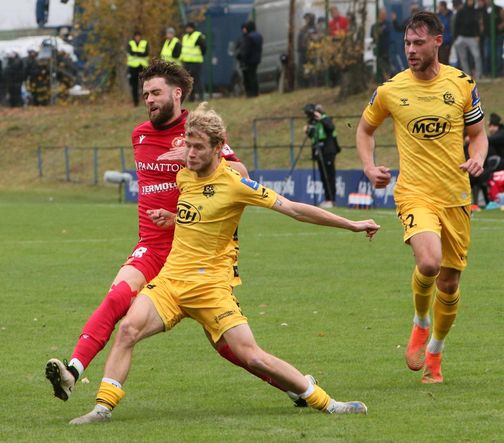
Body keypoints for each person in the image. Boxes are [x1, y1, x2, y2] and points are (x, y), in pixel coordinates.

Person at [69, 102, 379, 424]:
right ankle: (102, 409)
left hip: (210, 287)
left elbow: (294, 209)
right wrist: (174, 218)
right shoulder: (185, 177)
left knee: (251, 356)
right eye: (188, 145)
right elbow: (200, 217)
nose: (190, 153)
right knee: (128, 329)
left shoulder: (235, 184)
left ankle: (327, 402)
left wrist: (352, 225)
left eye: (199, 147)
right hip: (170, 282)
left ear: (219, 148)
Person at [45, 60, 314, 407]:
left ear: (177, 93)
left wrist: (186, 155)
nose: (149, 100)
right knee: (116, 300)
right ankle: (72, 372)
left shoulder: (197, 132)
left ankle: (295, 387)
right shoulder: (139, 134)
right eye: (145, 94)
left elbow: (240, 172)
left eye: (155, 92)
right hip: (153, 248)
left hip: (195, 255)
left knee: (228, 347)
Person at [356, 11, 488, 383]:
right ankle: (419, 321)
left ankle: (435, 353)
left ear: (437, 43)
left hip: (456, 196)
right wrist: (369, 167)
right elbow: (364, 131)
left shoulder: (462, 84)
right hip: (414, 193)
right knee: (429, 263)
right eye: (406, 44)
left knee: (449, 283)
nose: (410, 51)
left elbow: (478, 134)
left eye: (417, 43)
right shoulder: (390, 90)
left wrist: (476, 157)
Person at [304, 103, 340, 208]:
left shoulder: (326, 119)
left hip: (328, 151)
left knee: (329, 175)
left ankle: (331, 199)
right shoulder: (315, 122)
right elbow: (313, 136)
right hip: (319, 152)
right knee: (323, 177)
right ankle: (327, 198)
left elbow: (330, 127)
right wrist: (308, 130)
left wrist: (321, 119)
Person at [453, 0, 482, 79]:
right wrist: (456, 38)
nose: (470, 2)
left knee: (477, 56)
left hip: (472, 37)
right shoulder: (461, 11)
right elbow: (456, 24)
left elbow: (477, 24)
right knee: (463, 58)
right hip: (461, 36)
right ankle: (467, 76)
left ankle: (478, 75)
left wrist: (478, 35)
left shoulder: (475, 12)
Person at [236, 20, 263, 98]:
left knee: (249, 77)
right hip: (257, 59)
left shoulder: (249, 37)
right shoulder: (259, 36)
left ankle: (251, 93)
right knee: (254, 76)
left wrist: (241, 57)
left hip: (249, 60)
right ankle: (256, 92)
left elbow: (246, 50)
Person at [180, 22, 206, 101]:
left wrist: (199, 54)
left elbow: (204, 47)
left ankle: (201, 96)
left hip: (196, 62)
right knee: (188, 81)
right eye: (187, 27)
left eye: (189, 27)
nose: (187, 29)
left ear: (193, 28)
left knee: (196, 80)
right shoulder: (185, 37)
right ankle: (191, 98)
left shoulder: (197, 36)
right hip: (186, 62)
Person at [126, 31, 149, 107]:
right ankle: (136, 102)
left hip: (142, 67)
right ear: (134, 37)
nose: (137, 38)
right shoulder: (130, 43)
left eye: (139, 36)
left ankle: (147, 100)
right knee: (134, 85)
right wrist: (140, 53)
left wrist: (136, 53)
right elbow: (130, 52)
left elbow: (146, 53)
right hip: (133, 67)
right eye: (136, 36)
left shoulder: (144, 43)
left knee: (144, 85)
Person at [371, 9, 392, 81]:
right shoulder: (374, 26)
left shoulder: (388, 24)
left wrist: (380, 31)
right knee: (381, 65)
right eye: (382, 14)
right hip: (378, 49)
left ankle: (387, 79)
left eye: (384, 14)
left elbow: (387, 32)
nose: (384, 15)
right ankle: (383, 79)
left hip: (387, 48)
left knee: (387, 65)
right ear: (379, 15)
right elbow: (372, 36)